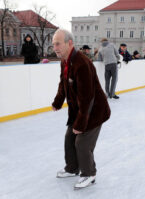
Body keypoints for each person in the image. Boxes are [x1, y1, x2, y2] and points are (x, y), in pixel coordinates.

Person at [51, 29, 111, 189]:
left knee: (82, 143)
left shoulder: (82, 63)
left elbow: (87, 97)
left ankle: (89, 174)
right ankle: (72, 168)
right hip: (79, 110)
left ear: (69, 43)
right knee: (69, 139)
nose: (55, 47)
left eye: (58, 43)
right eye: (53, 44)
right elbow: (63, 84)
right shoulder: (64, 61)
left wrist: (80, 124)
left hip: (94, 111)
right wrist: (58, 101)